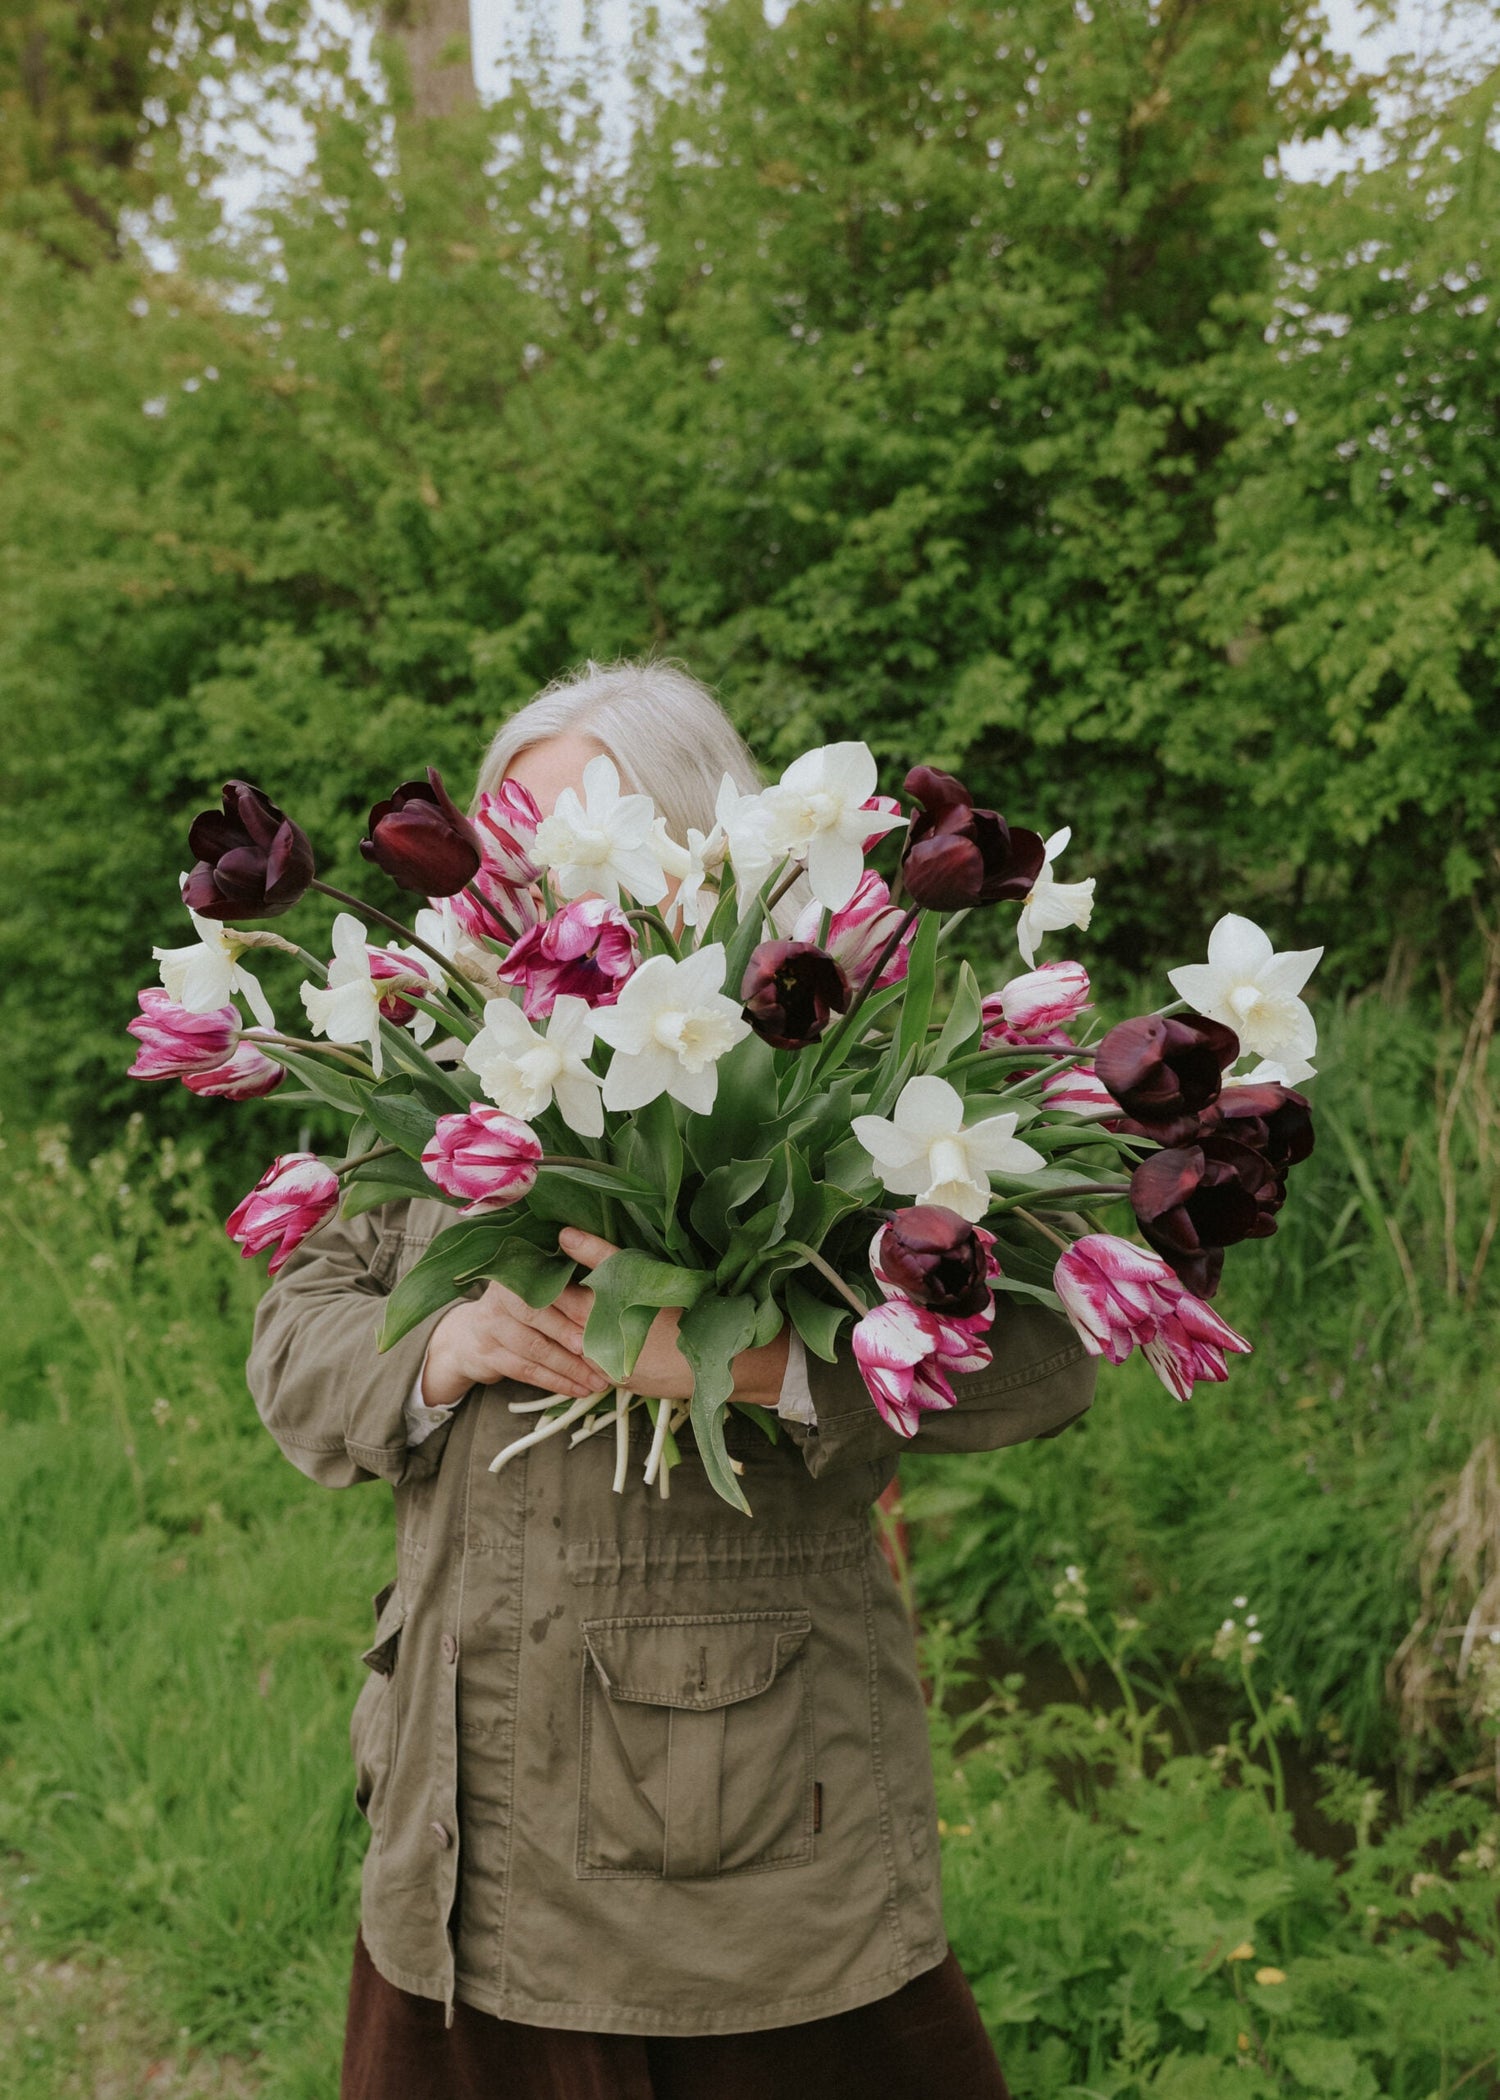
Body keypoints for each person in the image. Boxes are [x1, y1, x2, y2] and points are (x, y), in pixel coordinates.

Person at [247, 659, 1098, 2100]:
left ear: (709, 842)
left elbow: (1045, 1351)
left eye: (589, 834)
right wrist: (435, 1347)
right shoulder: (445, 1061)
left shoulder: (828, 1045)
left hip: (751, 1852)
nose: (543, 880)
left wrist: (761, 1363)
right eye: (516, 842)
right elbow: (295, 1335)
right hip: (462, 1833)